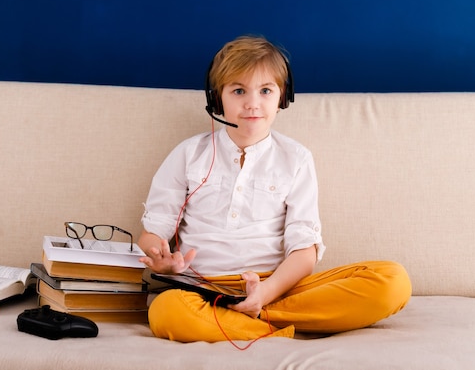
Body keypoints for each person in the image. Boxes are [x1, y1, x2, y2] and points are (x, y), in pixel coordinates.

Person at [137, 35, 412, 343]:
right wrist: (161, 259)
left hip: (277, 288)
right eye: (238, 90)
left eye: (265, 90)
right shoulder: (188, 154)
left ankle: (248, 319)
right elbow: (152, 235)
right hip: (202, 290)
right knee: (166, 312)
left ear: (282, 97)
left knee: (392, 280)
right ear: (217, 98)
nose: (252, 103)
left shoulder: (296, 158)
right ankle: (274, 329)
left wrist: (265, 292)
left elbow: (304, 249)